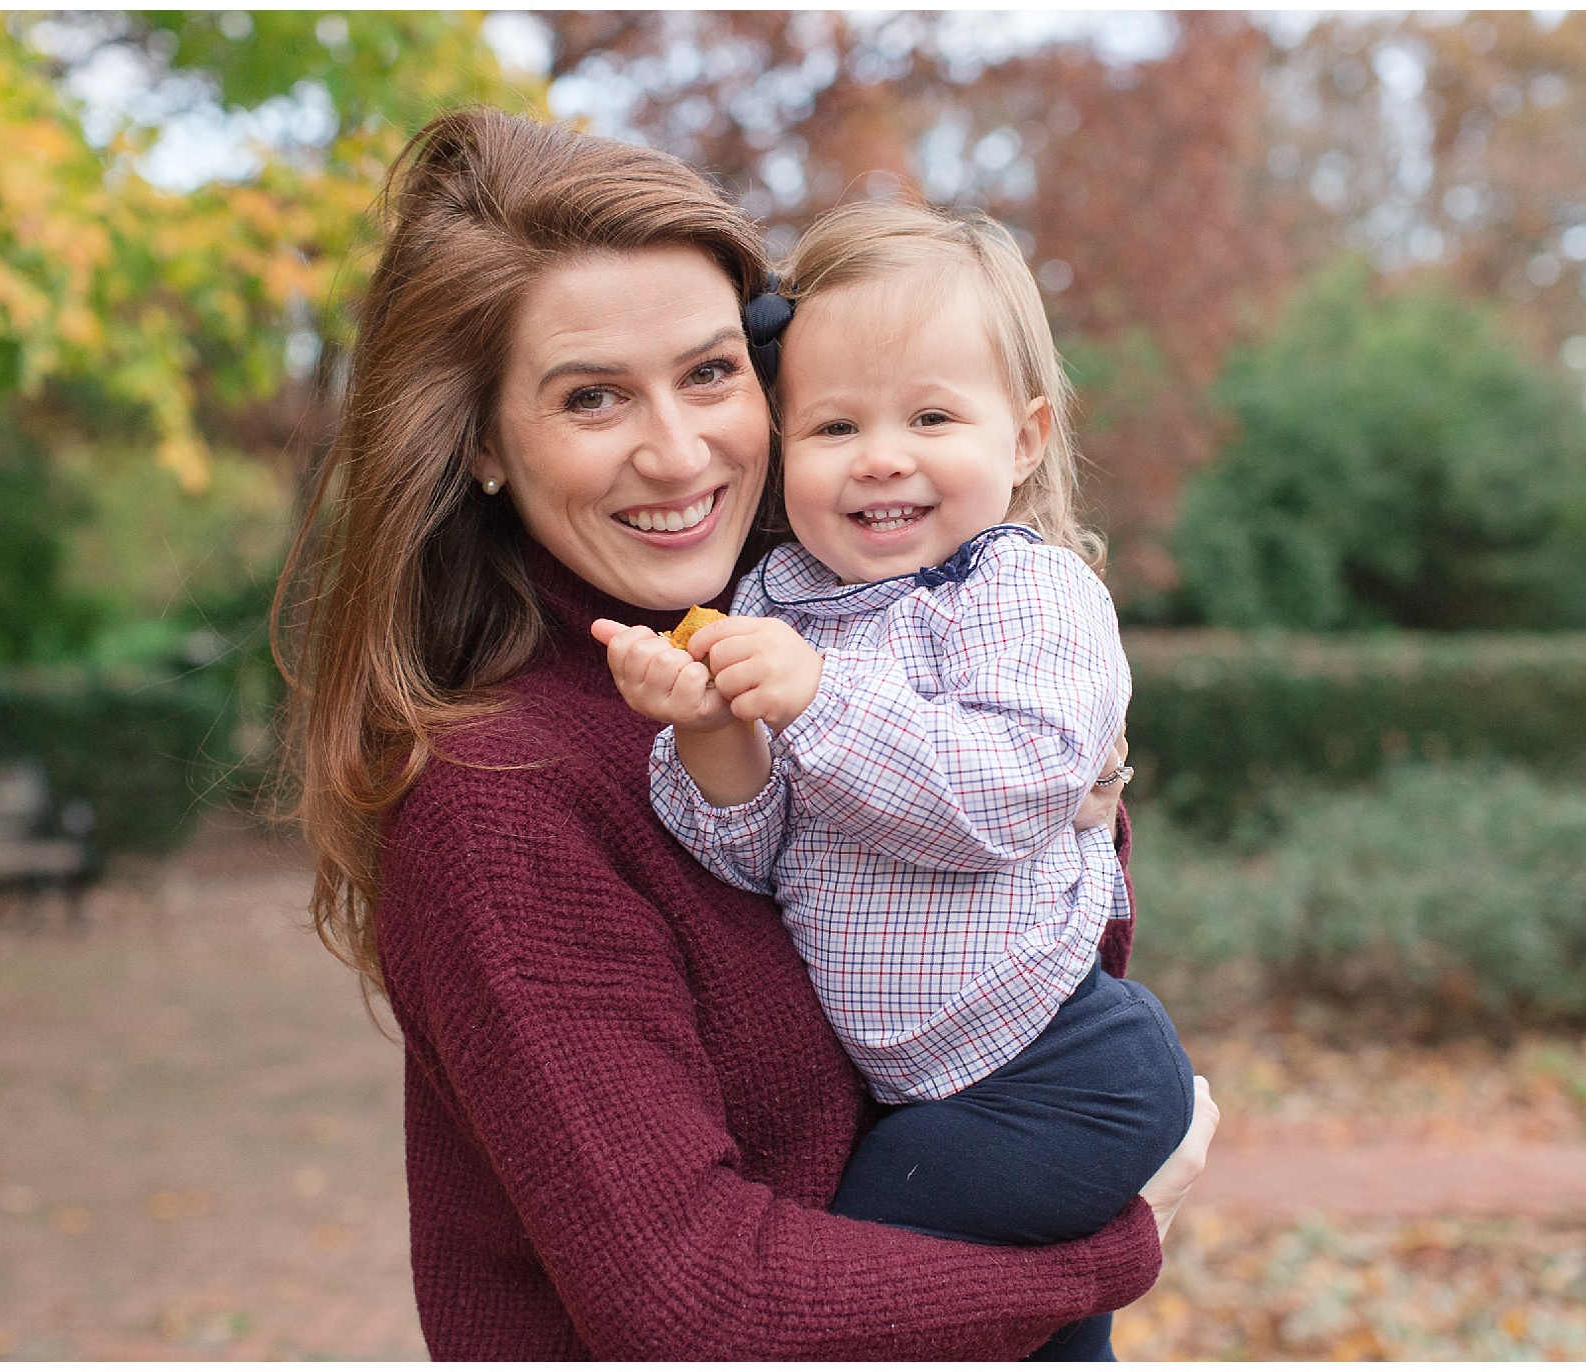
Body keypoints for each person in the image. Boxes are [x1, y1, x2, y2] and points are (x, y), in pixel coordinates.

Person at [276, 107, 1218, 1360]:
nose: (677, 453)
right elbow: (693, 1306)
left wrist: (1067, 783)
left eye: (711, 373)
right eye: (592, 397)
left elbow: (1033, 919)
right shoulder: (497, 801)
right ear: (483, 447)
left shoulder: (805, 611)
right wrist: (1108, 1252)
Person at [595, 200, 1195, 1361]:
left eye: (929, 415)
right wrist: (714, 731)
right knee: (1038, 1342)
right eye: (831, 425)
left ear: (1023, 438)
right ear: (779, 443)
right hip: (921, 1082)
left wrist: (816, 699)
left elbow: (1008, 793)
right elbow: (749, 860)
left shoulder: (1028, 595)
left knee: (867, 1290)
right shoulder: (770, 602)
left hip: (1060, 1063)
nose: (880, 454)